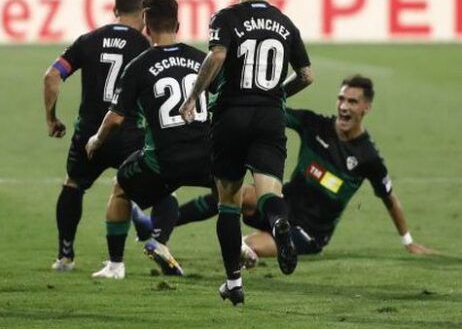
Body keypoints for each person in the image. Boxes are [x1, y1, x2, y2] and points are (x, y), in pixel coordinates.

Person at [139, 75, 436, 264]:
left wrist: (408, 241)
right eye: (342, 99)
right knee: (231, 192)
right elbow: (271, 112)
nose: (344, 107)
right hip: (282, 206)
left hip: (307, 232)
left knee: (242, 247)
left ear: (366, 108)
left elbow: (389, 198)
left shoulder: (368, 156)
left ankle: (246, 256)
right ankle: (159, 228)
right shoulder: (314, 124)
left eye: (353, 102)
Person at [179, 0, 314, 305]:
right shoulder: (285, 22)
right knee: (270, 193)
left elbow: (218, 55)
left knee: (228, 202)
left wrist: (193, 95)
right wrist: (278, 95)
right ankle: (279, 225)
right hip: (270, 117)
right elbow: (307, 75)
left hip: (231, 115)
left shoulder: (225, 17)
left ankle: (234, 283)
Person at [87, 0, 213, 279]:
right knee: (229, 194)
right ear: (178, 24)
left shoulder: (139, 65)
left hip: (164, 160)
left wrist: (96, 139)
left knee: (121, 185)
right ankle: (237, 251)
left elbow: (116, 117)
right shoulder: (202, 60)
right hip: (206, 157)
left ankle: (115, 266)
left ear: (145, 24)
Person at [44, 0, 150, 272]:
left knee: (73, 184)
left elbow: (52, 76)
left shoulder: (88, 40)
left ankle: (65, 256)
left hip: (89, 132)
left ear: (115, 10)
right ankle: (149, 235)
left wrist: (51, 118)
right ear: (144, 13)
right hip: (128, 131)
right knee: (135, 187)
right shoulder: (145, 46)